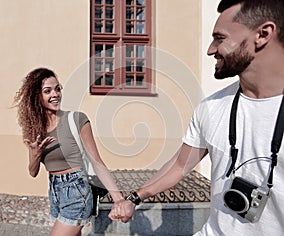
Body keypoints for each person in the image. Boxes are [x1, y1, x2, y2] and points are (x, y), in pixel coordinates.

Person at [109, 0, 284, 235]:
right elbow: (180, 165)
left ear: (263, 34)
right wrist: (134, 198)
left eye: (220, 38)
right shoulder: (210, 107)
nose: (210, 50)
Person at [14, 68, 123, 236]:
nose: (55, 94)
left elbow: (97, 162)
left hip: (76, 191)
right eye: (47, 91)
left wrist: (119, 200)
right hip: (55, 192)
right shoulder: (34, 130)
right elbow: (33, 171)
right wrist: (35, 153)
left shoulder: (77, 120)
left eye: (58, 89)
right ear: (36, 96)